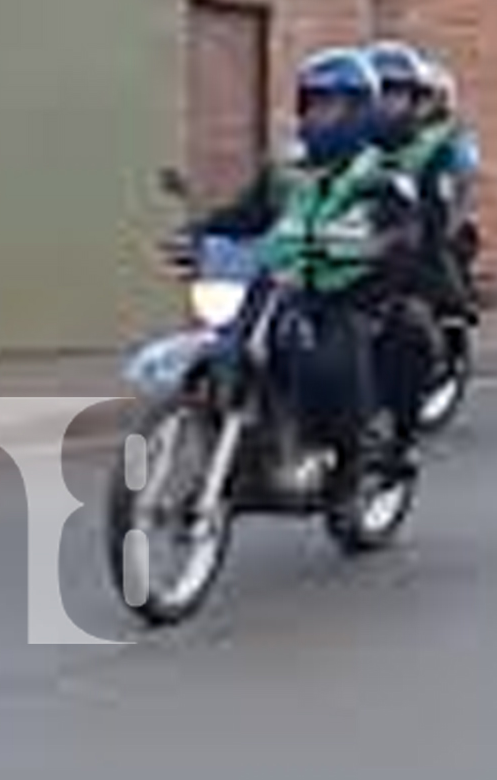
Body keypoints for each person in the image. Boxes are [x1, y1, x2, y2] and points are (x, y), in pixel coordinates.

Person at [167, 47, 433, 480]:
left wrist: (381, 245)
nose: (318, 116)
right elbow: (247, 215)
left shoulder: (382, 176)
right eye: (312, 104)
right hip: (283, 288)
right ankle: (250, 449)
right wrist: (200, 235)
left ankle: (349, 460)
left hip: (348, 295)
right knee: (230, 348)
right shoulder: (286, 172)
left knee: (330, 364)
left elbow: (403, 231)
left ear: (360, 110)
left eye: (331, 105)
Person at [365, 41, 480, 323]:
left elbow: (453, 190)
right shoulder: (348, 137)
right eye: (381, 92)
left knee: (433, 244)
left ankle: (451, 306)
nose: (386, 102)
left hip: (404, 231)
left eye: (396, 93)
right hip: (346, 231)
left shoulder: (440, 143)